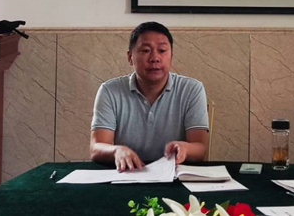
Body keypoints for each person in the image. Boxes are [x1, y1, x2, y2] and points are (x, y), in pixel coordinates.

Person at [90, 21, 209, 171]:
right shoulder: (109, 91)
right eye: (146, 50)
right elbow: (96, 148)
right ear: (130, 57)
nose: (155, 58)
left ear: (171, 56)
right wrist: (117, 151)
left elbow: (200, 148)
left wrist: (185, 148)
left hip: (175, 174)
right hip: (128, 173)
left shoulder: (192, 89)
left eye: (162, 50)